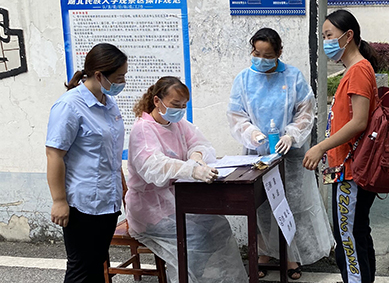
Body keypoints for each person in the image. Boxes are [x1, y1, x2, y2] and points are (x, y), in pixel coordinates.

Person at [227, 27, 334, 280]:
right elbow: (236, 115)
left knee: (292, 205)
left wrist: (291, 135)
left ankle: (291, 256)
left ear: (279, 52)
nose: (261, 59)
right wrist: (253, 134)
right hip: (258, 154)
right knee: (262, 206)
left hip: (290, 154)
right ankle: (264, 253)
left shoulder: (293, 77)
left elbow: (305, 111)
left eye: (268, 55)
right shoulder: (243, 79)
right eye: (257, 53)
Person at [126, 76, 248, 283]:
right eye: (175, 104)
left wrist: (196, 156)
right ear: (157, 101)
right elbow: (153, 166)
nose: (180, 110)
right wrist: (190, 170)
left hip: (178, 200)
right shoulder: (143, 130)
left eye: (184, 105)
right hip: (151, 208)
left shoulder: (178, 124)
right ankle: (185, 278)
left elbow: (200, 144)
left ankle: (210, 278)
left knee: (218, 226)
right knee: (194, 238)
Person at [303, 9, 380, 283]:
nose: (326, 42)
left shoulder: (358, 70)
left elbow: (359, 121)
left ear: (348, 36)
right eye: (324, 36)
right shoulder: (355, 70)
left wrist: (320, 147)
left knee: (348, 238)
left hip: (352, 171)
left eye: (329, 35)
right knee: (357, 233)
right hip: (350, 168)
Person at [45, 43, 128, 283]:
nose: (123, 82)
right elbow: (54, 154)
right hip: (83, 204)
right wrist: (59, 201)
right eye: (119, 77)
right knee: (81, 269)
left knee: (95, 264)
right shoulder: (69, 106)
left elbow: (111, 152)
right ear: (99, 75)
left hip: (107, 201)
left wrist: (123, 189)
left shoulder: (108, 103)